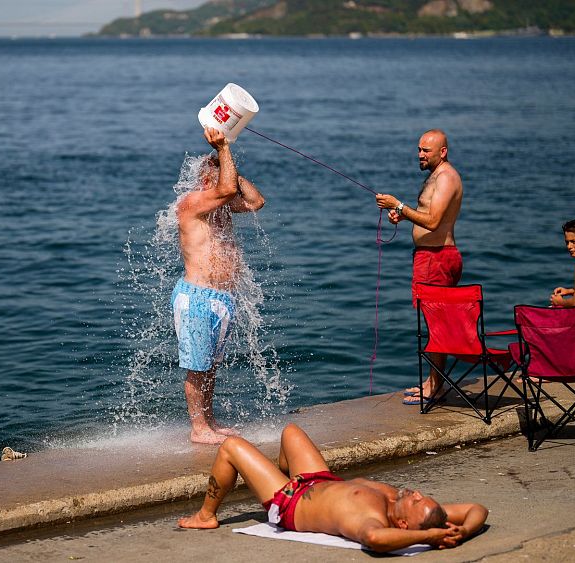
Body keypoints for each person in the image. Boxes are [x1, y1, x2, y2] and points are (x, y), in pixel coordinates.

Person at [178, 423, 488, 553]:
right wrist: (464, 532)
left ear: (405, 524)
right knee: (290, 432)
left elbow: (374, 539)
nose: (416, 493)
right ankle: (274, 476)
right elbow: (478, 510)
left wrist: (429, 537)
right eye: (421, 495)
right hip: (319, 481)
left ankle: (206, 515)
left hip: (292, 504)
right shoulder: (403, 502)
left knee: (231, 446)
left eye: (416, 501)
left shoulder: (375, 520)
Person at [172, 127, 266, 444]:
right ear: (204, 181)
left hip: (220, 299)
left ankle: (209, 422)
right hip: (196, 298)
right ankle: (198, 428)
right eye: (214, 176)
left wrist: (229, 166)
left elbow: (256, 201)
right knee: (197, 368)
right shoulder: (191, 203)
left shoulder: (223, 205)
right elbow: (226, 190)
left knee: (210, 368)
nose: (224, 183)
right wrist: (224, 149)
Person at [375, 129, 463, 405]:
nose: (420, 155)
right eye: (419, 149)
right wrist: (403, 217)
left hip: (437, 257)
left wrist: (399, 206)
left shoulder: (447, 177)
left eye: (426, 150)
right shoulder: (435, 176)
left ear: (443, 151)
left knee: (436, 323)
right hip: (428, 257)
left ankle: (436, 385)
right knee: (432, 322)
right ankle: (433, 380)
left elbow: (435, 221)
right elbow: (426, 215)